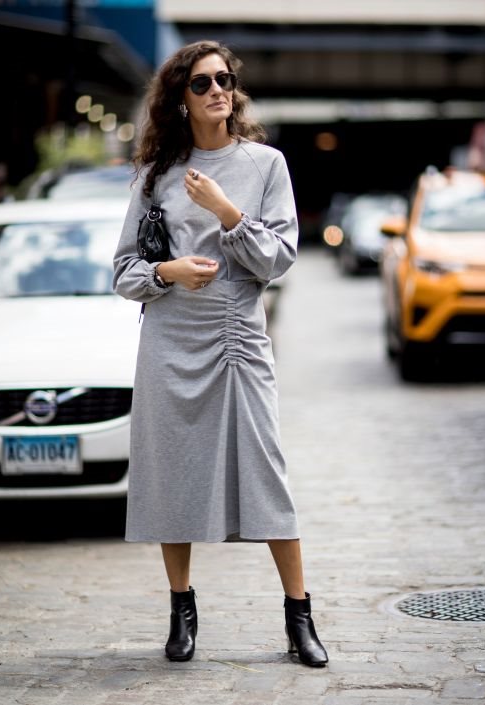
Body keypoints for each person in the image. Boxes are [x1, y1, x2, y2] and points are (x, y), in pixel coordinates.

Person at [113, 40, 328, 668]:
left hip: (237, 334)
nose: (217, 91)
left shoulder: (265, 165)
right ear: (180, 98)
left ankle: (299, 616)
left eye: (225, 80)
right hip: (171, 337)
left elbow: (278, 259)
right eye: (202, 82)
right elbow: (124, 271)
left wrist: (226, 212)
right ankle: (181, 610)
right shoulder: (155, 175)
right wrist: (169, 271)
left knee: (265, 471)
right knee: (172, 474)